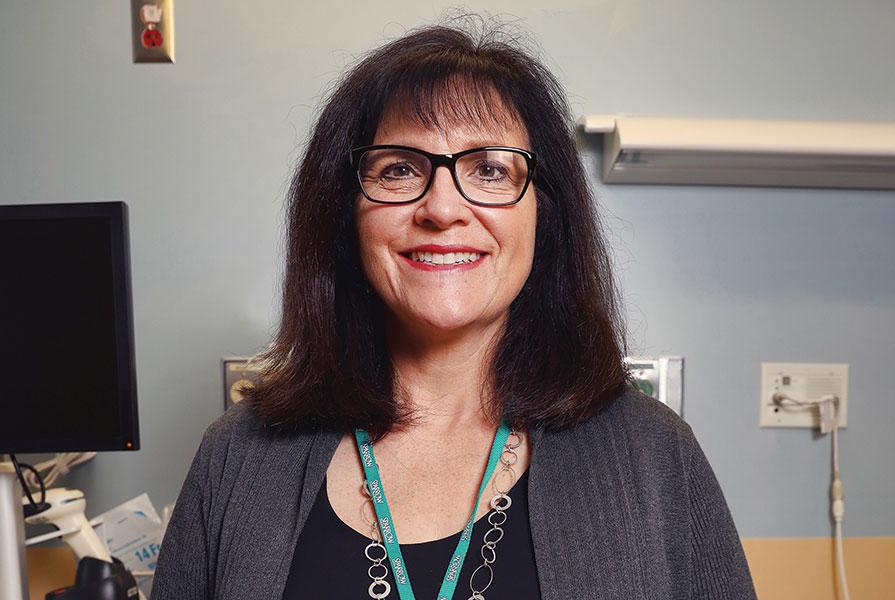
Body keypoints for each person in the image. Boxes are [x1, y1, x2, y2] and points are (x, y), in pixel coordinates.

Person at [151, 20, 756, 600]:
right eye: (399, 169)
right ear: (344, 214)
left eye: (489, 169)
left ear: (546, 214)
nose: (442, 208)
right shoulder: (237, 457)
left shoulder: (654, 456)